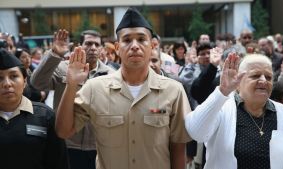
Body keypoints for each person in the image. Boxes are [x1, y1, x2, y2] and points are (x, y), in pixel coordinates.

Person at [55, 7, 191, 169]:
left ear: (153, 45)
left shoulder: (173, 90)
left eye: (141, 39)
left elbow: (178, 147)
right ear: (117, 47)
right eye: (127, 40)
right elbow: (63, 131)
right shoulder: (95, 88)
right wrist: (71, 86)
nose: (134, 46)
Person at [185, 53, 283, 169]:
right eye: (255, 75)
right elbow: (196, 132)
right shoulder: (222, 108)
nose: (263, 80)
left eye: (269, 77)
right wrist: (222, 91)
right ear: (238, 81)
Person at [30, 29, 115, 169]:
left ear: (101, 49)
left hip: (99, 146)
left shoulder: (111, 75)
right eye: (88, 43)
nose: (93, 48)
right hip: (67, 144)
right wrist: (55, 54)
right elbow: (37, 83)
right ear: (79, 45)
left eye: (96, 45)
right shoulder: (63, 68)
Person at [0, 49, 69, 169]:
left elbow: (59, 162)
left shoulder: (45, 116)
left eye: (14, 76)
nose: (7, 84)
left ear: (25, 81)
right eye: (0, 78)